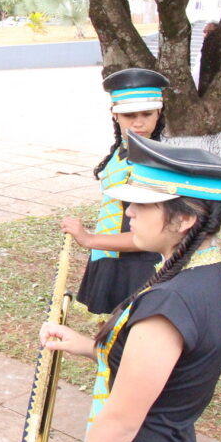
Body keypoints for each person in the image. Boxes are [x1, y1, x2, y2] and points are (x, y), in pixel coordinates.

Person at [14, 131, 221, 442]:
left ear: (185, 219)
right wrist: (90, 347)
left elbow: (122, 419)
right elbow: (167, 376)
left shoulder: (170, 305)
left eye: (143, 205)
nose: (128, 213)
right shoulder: (208, 279)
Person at [62, 69, 169, 316]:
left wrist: (88, 239)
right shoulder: (122, 150)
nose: (139, 122)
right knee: (111, 334)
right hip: (111, 254)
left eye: (147, 114)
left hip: (139, 265)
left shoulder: (158, 164)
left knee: (131, 335)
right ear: (115, 115)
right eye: (129, 115)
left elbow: (153, 235)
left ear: (159, 113)